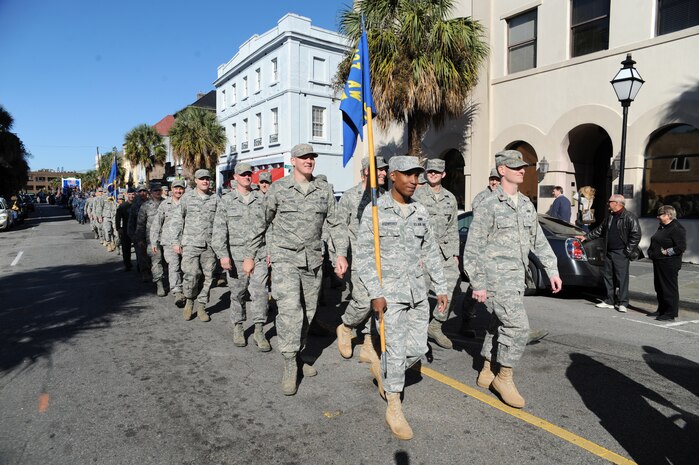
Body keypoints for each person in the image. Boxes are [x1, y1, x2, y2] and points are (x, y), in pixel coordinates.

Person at [355, 155, 448, 440]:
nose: (413, 180)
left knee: (417, 349)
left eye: (416, 175)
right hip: (390, 296)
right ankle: (394, 405)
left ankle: (383, 370)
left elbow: (430, 250)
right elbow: (364, 256)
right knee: (395, 350)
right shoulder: (375, 211)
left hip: (418, 293)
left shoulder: (420, 211)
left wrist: (441, 286)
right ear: (393, 175)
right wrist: (376, 293)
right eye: (407, 175)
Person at [463, 150, 562, 409]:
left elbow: (538, 240)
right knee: (517, 327)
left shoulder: (527, 204)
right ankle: (504, 377)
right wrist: (479, 282)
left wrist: (552, 269)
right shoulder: (488, 205)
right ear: (502, 170)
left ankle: (486, 366)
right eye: (515, 166)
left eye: (523, 166)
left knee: (499, 322)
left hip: (517, 278)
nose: (522, 170)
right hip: (496, 279)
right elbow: (473, 248)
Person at [250, 143, 346, 395]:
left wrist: (341, 254)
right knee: (290, 310)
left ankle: (299, 353)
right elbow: (261, 222)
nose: (309, 161)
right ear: (293, 161)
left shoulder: (324, 189)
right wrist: (251, 255)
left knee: (308, 314)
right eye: (303, 157)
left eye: (311, 157)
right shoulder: (279, 189)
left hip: (313, 262)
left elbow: (335, 224)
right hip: (285, 260)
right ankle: (290, 363)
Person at [212, 163, 271, 351]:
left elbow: (269, 228)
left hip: (259, 255)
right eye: (243, 174)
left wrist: (270, 251)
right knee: (238, 294)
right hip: (235, 257)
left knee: (260, 293)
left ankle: (259, 330)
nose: (247, 177)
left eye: (249, 174)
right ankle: (238, 326)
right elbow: (219, 231)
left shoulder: (261, 200)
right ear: (235, 178)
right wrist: (223, 256)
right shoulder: (227, 201)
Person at [335, 156, 388, 361]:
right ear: (367, 171)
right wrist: (339, 255)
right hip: (359, 258)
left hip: (383, 259)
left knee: (379, 301)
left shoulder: (385, 197)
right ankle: (346, 326)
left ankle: (368, 343)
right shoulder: (350, 196)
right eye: (380, 170)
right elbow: (339, 227)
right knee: (363, 300)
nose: (384, 173)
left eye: (385, 170)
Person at [413, 158, 460, 350]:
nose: (432, 174)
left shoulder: (450, 198)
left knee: (451, 288)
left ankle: (436, 325)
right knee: (419, 294)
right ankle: (416, 331)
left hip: (445, 253)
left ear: (443, 175)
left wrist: (455, 254)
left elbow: (453, 227)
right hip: (423, 253)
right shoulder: (416, 196)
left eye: (436, 172)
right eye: (430, 171)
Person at [579, 194, 642, 314]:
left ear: (617, 203)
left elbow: (636, 235)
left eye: (610, 201)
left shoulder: (629, 217)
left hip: (621, 253)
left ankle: (623, 303)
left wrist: (627, 251)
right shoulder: (610, 216)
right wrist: (586, 237)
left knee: (621, 278)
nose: (608, 204)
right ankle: (610, 301)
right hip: (609, 251)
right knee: (608, 276)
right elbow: (600, 230)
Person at [172, 169, 219, 322]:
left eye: (207, 179)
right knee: (191, 275)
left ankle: (202, 306)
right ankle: (190, 300)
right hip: (190, 244)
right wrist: (176, 241)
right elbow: (178, 220)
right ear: (196, 181)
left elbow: (221, 222)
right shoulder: (187, 198)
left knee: (208, 277)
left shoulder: (215, 199)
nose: (205, 181)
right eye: (202, 179)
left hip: (210, 245)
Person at [647, 205, 686, 321]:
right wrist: (651, 252)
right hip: (659, 262)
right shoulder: (663, 226)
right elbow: (656, 240)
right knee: (659, 287)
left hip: (669, 263)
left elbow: (681, 247)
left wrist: (666, 253)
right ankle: (662, 309)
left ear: (668, 215)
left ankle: (670, 313)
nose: (657, 217)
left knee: (669, 288)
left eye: (660, 215)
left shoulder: (676, 228)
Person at [151, 179, 187, 307]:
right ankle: (177, 291)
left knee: (187, 267)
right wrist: (154, 242)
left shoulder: (188, 203)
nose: (178, 191)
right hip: (168, 241)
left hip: (186, 241)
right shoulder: (165, 205)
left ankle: (189, 289)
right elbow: (156, 224)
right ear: (172, 190)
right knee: (174, 265)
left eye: (181, 188)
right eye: (176, 188)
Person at [136, 183, 165, 296]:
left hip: (168, 238)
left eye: (159, 190)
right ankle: (159, 284)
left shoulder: (167, 203)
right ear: (151, 192)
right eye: (155, 190)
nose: (158, 192)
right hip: (152, 239)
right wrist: (140, 239)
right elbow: (140, 224)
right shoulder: (145, 206)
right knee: (156, 261)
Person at [128, 185, 151, 281]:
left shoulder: (152, 203)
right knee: (141, 255)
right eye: (140, 191)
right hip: (139, 234)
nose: (142, 193)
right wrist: (132, 235)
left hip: (151, 234)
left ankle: (148, 270)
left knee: (150, 255)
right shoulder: (135, 206)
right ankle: (144, 272)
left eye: (144, 191)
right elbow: (131, 222)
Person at [116, 189, 135, 271]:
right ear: (127, 195)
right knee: (126, 248)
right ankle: (127, 264)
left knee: (139, 249)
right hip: (125, 229)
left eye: (133, 194)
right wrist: (118, 228)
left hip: (136, 229)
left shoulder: (138, 205)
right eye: (130, 194)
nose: (131, 196)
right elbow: (118, 218)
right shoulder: (123, 206)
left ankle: (141, 266)